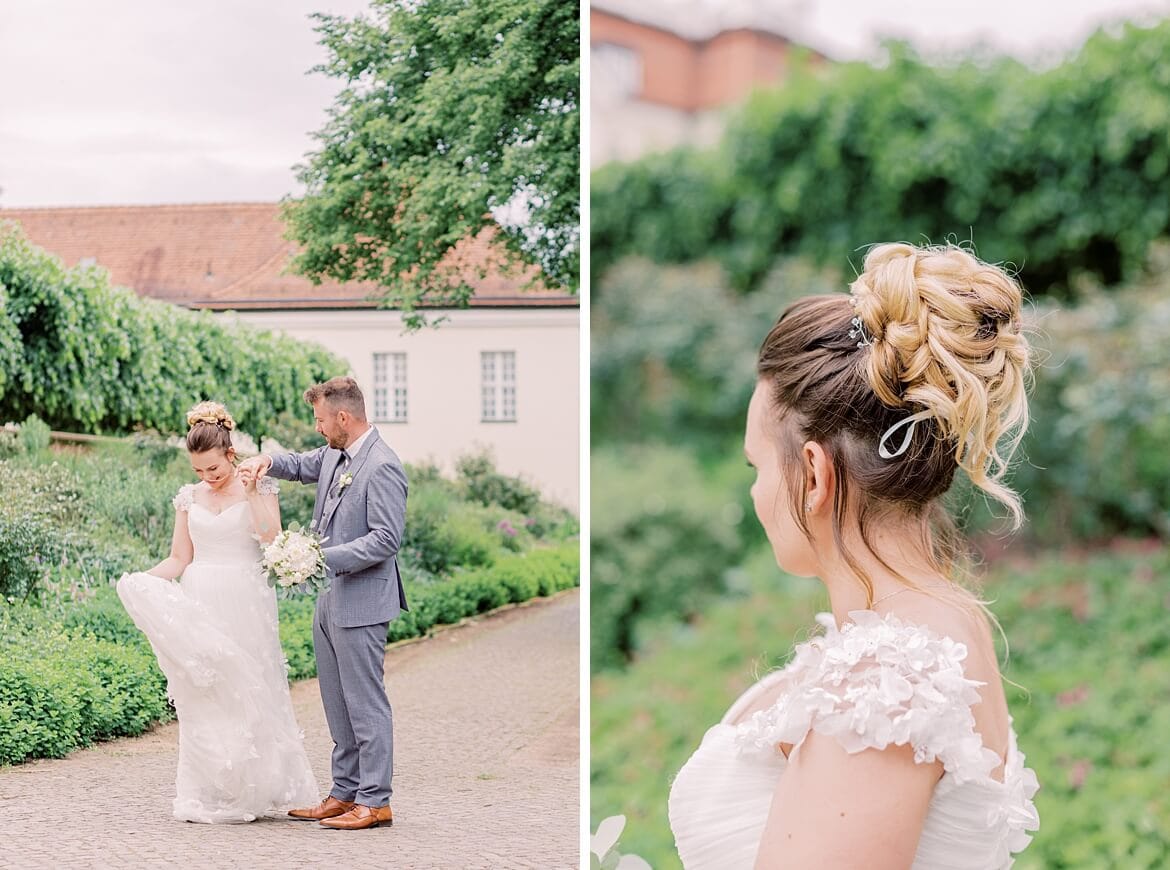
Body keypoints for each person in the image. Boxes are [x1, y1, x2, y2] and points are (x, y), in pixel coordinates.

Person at [668, 243, 1041, 868]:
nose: (756, 492)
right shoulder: (942, 625)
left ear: (812, 476)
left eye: (757, 466)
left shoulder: (884, 681)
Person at [116, 401, 318, 824]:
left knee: (250, 689)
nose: (206, 478)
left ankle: (256, 787)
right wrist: (142, 579)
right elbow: (178, 558)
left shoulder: (260, 488)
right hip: (201, 597)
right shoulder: (189, 498)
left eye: (214, 469)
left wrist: (247, 491)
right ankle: (210, 789)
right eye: (198, 471)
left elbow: (271, 541)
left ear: (231, 454)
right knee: (205, 693)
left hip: (245, 598)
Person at [238, 376, 408, 831]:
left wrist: (317, 557)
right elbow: (300, 464)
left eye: (320, 420)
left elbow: (386, 540)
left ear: (343, 417)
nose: (318, 429)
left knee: (365, 703)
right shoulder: (336, 454)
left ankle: (376, 801)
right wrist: (266, 460)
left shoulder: (383, 465)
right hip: (330, 601)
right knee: (335, 700)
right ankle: (344, 791)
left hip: (364, 602)